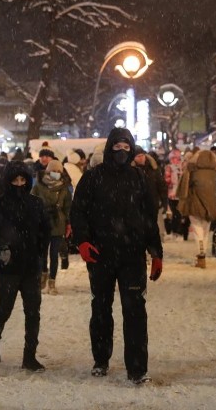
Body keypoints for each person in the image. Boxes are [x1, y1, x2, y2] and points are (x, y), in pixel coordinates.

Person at [70, 128, 162, 384]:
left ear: (131, 149)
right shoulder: (93, 178)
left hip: (132, 256)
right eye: (117, 147)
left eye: (126, 147)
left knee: (135, 311)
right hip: (100, 255)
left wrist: (156, 252)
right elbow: (78, 212)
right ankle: (101, 359)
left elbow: (149, 219)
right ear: (110, 148)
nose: (121, 151)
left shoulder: (139, 178)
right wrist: (83, 241)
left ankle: (137, 367)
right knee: (100, 308)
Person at [0, 161, 52, 371]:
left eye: (23, 180)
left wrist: (41, 259)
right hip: (8, 268)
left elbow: (45, 233)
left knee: (33, 312)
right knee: (4, 308)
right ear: (8, 181)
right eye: (15, 180)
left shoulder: (36, 204)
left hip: (31, 267)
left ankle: (29, 355)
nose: (19, 184)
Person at [32, 159, 72, 295]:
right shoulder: (39, 185)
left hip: (58, 223)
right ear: (48, 171)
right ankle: (44, 272)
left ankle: (52, 282)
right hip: (42, 223)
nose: (56, 173)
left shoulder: (64, 187)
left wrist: (68, 223)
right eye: (53, 170)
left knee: (54, 254)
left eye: (59, 171)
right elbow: (31, 201)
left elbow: (68, 207)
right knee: (42, 253)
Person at [177, 148, 216, 268]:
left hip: (195, 203)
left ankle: (200, 256)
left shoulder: (192, 170)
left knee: (197, 230)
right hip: (211, 204)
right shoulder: (214, 172)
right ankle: (204, 253)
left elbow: (185, 188)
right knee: (206, 231)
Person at [133, 147, 168, 241]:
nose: (141, 158)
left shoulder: (154, 168)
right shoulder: (131, 171)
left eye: (142, 155)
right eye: (138, 156)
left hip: (152, 202)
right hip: (136, 204)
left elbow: (162, 185)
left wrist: (164, 201)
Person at [164, 149, 183, 238]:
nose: (176, 160)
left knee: (176, 213)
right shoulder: (174, 167)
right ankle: (176, 231)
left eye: (177, 158)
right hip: (176, 194)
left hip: (176, 194)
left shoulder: (177, 167)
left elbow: (167, 181)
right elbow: (167, 181)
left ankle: (176, 231)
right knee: (176, 213)